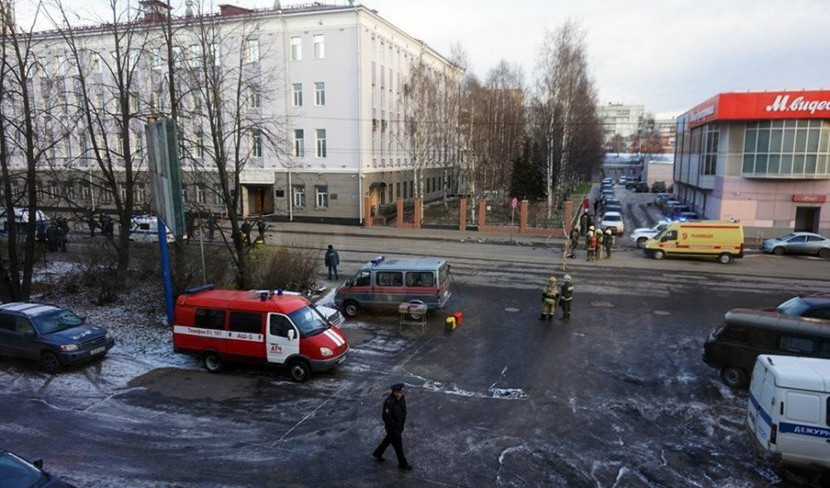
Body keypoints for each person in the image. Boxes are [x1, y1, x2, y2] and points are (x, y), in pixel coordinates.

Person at [373, 383, 412, 470]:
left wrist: (402, 422)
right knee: (398, 446)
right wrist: (396, 425)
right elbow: (386, 417)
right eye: (400, 392)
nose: (402, 393)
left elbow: (404, 409)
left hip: (400, 426)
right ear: (395, 392)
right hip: (393, 429)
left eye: (401, 391)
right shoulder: (389, 402)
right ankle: (403, 464)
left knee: (388, 440)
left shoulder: (401, 398)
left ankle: (377, 453)